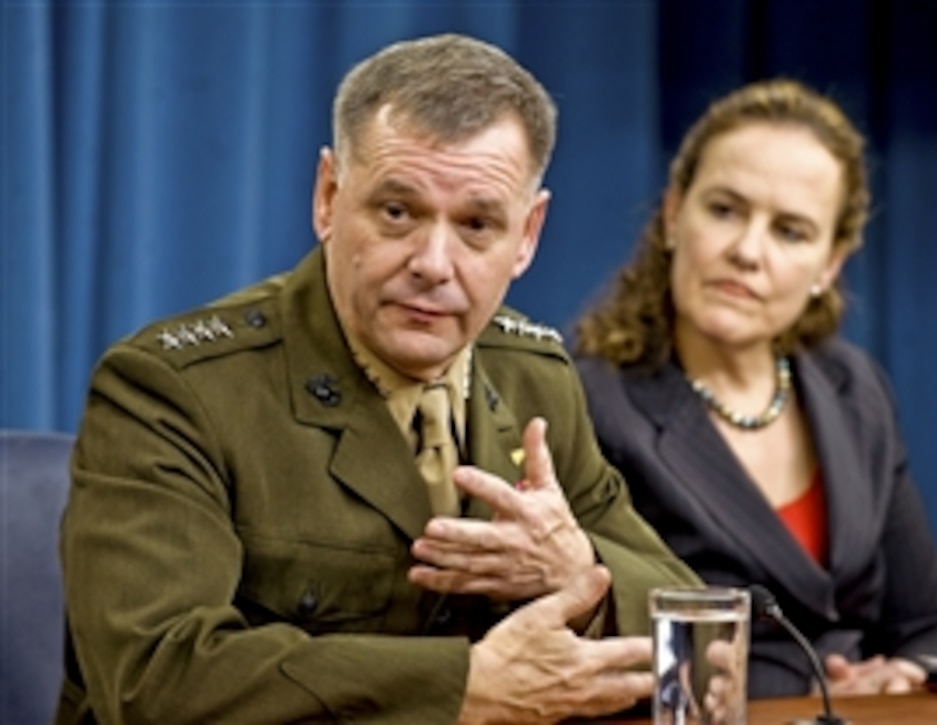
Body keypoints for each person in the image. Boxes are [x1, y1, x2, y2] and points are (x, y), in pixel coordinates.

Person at [57, 33, 701, 724]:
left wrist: (586, 579)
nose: (432, 261)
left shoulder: (534, 378)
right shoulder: (173, 388)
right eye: (398, 212)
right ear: (329, 197)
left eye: (478, 224)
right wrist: (463, 687)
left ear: (528, 235)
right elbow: (156, 678)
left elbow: (695, 632)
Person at [573, 78, 937, 699]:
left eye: (789, 231)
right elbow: (588, 647)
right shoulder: (592, 399)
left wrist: (900, 674)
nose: (747, 251)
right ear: (672, 215)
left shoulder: (855, 391)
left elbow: (936, 626)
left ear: (830, 265)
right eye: (724, 210)